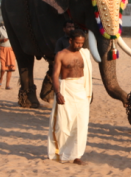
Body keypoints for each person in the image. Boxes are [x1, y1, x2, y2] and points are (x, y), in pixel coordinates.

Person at [48, 29, 93, 165]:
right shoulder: (61, 55)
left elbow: (87, 75)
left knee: (81, 125)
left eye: (82, 43)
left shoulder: (84, 54)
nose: (79, 45)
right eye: (77, 43)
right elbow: (55, 75)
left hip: (81, 91)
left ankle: (76, 155)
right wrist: (57, 93)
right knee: (62, 125)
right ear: (70, 40)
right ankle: (62, 152)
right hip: (66, 90)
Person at [0, 21, 16, 89]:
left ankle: (7, 85)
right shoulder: (0, 29)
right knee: (3, 68)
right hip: (3, 49)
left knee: (10, 68)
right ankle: (1, 78)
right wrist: (2, 40)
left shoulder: (13, 29)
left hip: (11, 50)